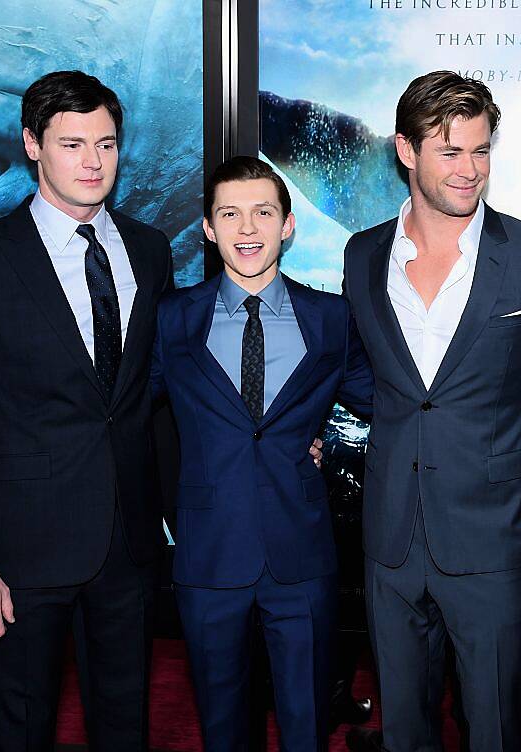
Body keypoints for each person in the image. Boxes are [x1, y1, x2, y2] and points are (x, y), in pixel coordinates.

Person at [0, 71, 173, 750]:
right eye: (72, 143)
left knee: (125, 726)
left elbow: (153, 396)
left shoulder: (150, 251)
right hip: (17, 553)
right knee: (21, 726)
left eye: (107, 143)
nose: (93, 161)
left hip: (128, 543)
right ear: (33, 145)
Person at [341, 70, 521, 751]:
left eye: (481, 151)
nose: (470, 170)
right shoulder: (362, 255)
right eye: (450, 151)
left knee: (494, 727)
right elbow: (372, 372)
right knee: (405, 730)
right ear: (405, 150)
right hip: (390, 535)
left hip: (488, 538)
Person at [150, 156, 373, 751]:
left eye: (262, 213)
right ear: (207, 228)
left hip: (301, 555)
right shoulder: (172, 321)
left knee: (308, 724)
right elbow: (124, 416)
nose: (247, 229)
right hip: (208, 555)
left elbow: (394, 406)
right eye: (230, 214)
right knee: (222, 727)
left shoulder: (331, 320)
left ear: (288, 225)